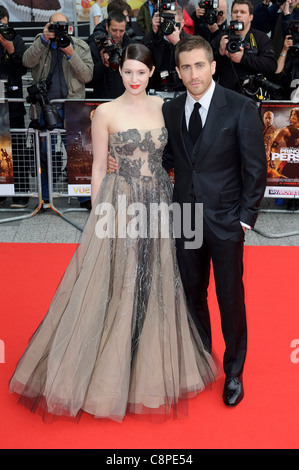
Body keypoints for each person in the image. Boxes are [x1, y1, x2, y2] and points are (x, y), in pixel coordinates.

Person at [9, 43, 219, 423]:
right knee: (121, 277)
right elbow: (96, 170)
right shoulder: (103, 112)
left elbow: (176, 155)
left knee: (158, 277)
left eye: (141, 72)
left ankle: (147, 360)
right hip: (121, 202)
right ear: (119, 72)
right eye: (128, 72)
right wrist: (97, 215)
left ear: (152, 73)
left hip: (159, 200)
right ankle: (112, 366)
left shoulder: (164, 107)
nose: (134, 79)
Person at [109, 35, 267, 407]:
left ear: (212, 66)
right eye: (186, 67)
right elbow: (166, 160)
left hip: (226, 220)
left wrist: (244, 220)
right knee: (193, 296)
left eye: (200, 65)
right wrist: (123, 164)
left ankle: (233, 371)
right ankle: (201, 360)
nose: (193, 74)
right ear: (177, 71)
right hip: (185, 218)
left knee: (231, 298)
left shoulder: (241, 108)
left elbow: (256, 170)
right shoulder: (171, 109)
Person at [22, 12, 93, 208]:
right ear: (48, 25)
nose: (58, 30)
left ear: (69, 27)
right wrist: (44, 39)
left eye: (62, 26)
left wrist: (71, 53)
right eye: (54, 26)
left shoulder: (79, 45)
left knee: (77, 154)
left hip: (73, 106)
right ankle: (45, 197)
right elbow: (27, 62)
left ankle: (84, 198)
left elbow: (87, 76)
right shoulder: (41, 42)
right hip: (46, 107)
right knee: (45, 153)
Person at [211, 0, 277, 94]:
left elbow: (271, 65)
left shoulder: (260, 38)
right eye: (235, 12)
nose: (238, 15)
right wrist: (220, 53)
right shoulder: (221, 38)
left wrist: (243, 58)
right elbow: (206, 69)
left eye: (243, 12)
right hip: (226, 95)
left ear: (251, 17)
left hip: (252, 95)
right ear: (231, 16)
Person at [0, 5, 28, 209]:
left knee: (17, 149)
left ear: (7, 20)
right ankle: (2, 192)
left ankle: (21, 193)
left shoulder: (16, 39)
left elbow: (23, 68)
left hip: (14, 102)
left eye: (3, 24)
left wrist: (11, 50)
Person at [89, 11, 133, 99]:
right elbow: (89, 78)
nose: (117, 34)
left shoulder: (131, 47)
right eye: (114, 30)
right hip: (101, 99)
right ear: (106, 27)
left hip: (125, 100)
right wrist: (103, 64)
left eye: (121, 31)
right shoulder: (95, 46)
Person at [142, 7, 187, 92]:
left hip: (183, 90)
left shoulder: (191, 41)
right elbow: (143, 56)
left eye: (173, 23)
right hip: (158, 89)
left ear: (182, 23)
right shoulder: (155, 40)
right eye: (166, 23)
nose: (169, 26)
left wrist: (177, 44)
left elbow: (189, 63)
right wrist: (153, 33)